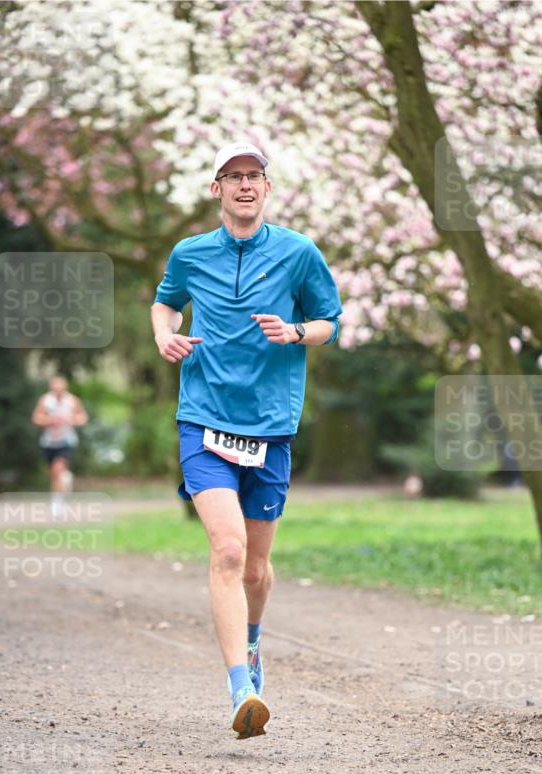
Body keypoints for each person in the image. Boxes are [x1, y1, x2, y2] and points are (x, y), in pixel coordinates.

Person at [151, 141, 342, 740]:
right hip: (203, 417)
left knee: (256, 568)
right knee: (228, 552)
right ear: (216, 189)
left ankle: (252, 646)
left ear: (266, 187)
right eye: (231, 176)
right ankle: (242, 688)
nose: (243, 185)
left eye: (253, 176)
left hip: (270, 425)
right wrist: (166, 336)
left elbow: (329, 323)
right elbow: (164, 305)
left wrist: (293, 331)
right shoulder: (190, 253)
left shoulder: (298, 252)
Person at [31, 375, 88, 518]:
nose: (57, 391)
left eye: (59, 388)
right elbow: (36, 418)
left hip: (66, 441)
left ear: (64, 388)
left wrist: (72, 419)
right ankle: (65, 481)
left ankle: (57, 504)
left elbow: (83, 417)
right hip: (49, 442)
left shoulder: (72, 400)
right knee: (54, 474)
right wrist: (50, 420)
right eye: (54, 388)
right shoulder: (45, 400)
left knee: (58, 469)